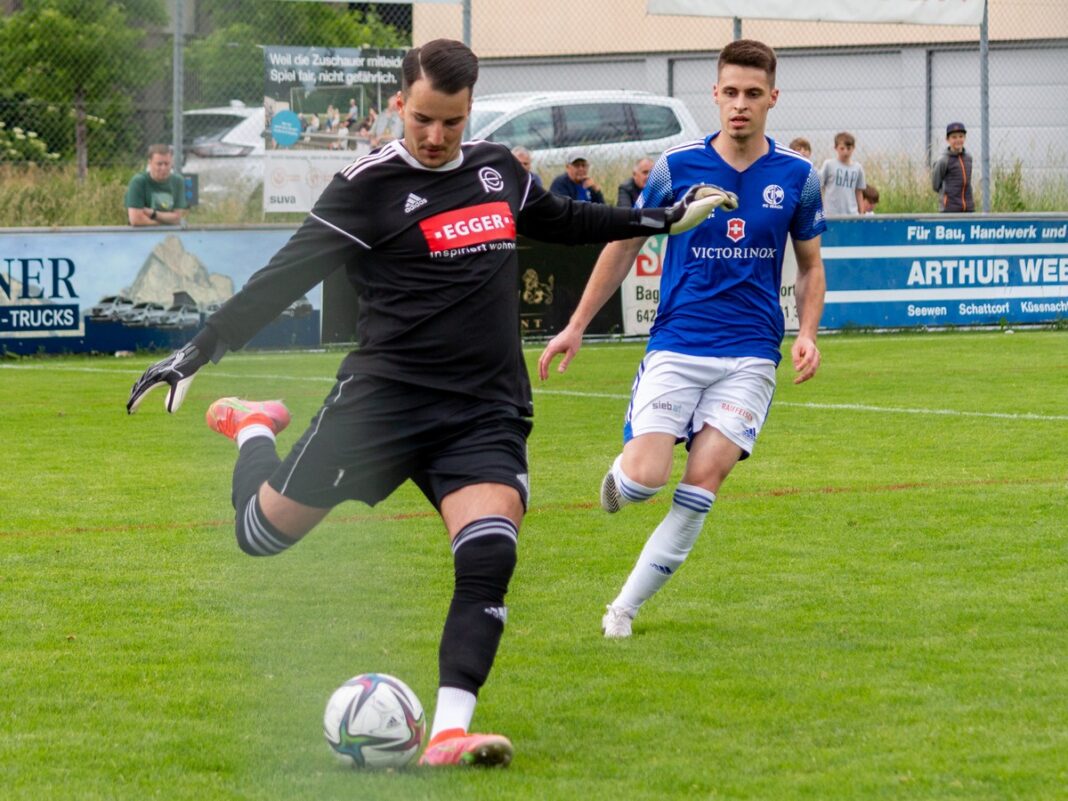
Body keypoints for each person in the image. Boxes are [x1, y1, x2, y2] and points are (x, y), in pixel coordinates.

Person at [125, 38, 729, 767]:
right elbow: (282, 278)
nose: (437, 136)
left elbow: (568, 222)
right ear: (398, 105)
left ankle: (448, 732)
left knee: (490, 551)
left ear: (470, 110)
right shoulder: (365, 186)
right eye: (422, 120)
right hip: (380, 406)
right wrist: (197, 350)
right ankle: (255, 426)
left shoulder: (498, 170)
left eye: (452, 121)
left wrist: (662, 219)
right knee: (259, 535)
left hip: (482, 410)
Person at [537, 38, 827, 639]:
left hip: (752, 355)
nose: (740, 104)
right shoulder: (676, 167)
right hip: (678, 344)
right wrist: (576, 325)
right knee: (646, 480)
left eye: (753, 93)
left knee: (702, 484)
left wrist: (807, 333)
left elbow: (810, 266)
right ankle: (623, 480)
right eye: (731, 92)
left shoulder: (798, 177)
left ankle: (623, 609)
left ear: (772, 98)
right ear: (715, 94)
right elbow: (625, 244)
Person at [125, 144, 188, 227]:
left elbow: (178, 217)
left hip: (170, 234)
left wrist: (153, 214)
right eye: (159, 164)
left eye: (167, 164)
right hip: (142, 233)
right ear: (150, 163)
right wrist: (167, 222)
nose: (163, 168)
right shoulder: (138, 182)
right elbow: (136, 220)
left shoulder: (178, 181)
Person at [819, 131, 866, 215]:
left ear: (853, 148)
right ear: (835, 148)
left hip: (851, 214)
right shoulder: (829, 165)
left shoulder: (858, 168)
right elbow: (820, 187)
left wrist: (861, 214)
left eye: (849, 148)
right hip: (831, 214)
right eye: (842, 148)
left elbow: (859, 192)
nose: (845, 152)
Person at [931, 121, 974, 212]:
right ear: (947, 139)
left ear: (965, 138)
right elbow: (935, 185)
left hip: (968, 208)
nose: (958, 140)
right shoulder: (943, 160)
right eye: (954, 137)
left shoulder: (968, 158)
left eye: (961, 136)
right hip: (950, 208)